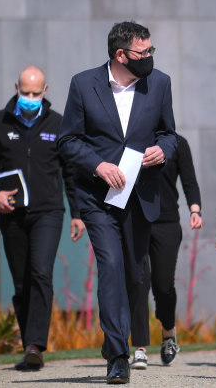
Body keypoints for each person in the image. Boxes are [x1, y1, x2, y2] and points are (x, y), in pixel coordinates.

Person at [58, 21, 177, 384]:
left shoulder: (160, 83)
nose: (150, 58)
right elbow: (68, 141)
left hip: (140, 196)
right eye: (144, 53)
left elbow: (169, 133)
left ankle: (120, 343)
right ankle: (117, 355)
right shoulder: (83, 84)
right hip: (97, 198)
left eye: (151, 51)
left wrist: (163, 150)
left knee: (134, 273)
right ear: (120, 54)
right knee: (110, 266)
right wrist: (98, 164)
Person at [0, 66, 85, 371]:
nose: (30, 98)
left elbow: (71, 172)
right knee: (21, 284)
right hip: (13, 214)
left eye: (36, 93)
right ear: (16, 88)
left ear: (45, 91)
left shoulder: (59, 124)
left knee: (40, 273)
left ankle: (35, 345)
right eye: (25, 92)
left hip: (49, 212)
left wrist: (77, 214)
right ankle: (28, 344)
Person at [129, 134, 202, 370]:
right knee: (139, 282)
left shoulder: (178, 143)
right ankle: (139, 348)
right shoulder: (131, 137)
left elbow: (189, 180)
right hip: (136, 221)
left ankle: (168, 332)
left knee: (163, 286)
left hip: (167, 222)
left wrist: (195, 209)